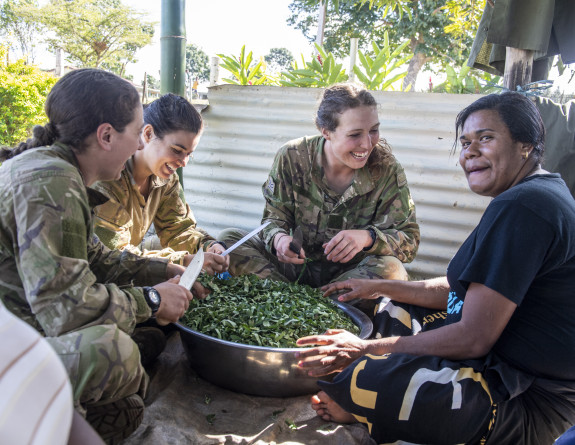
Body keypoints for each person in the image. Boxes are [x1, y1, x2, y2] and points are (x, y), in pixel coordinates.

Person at [294, 92, 575, 444]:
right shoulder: (530, 194)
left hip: (524, 397)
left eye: (486, 138)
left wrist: (364, 351)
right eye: (465, 142)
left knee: (363, 375)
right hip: (493, 356)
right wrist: (379, 287)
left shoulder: (525, 207)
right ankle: (371, 390)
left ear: (526, 145)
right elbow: (464, 290)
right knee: (392, 309)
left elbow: (473, 337)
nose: (470, 152)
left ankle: (365, 398)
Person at [0, 68, 199, 444]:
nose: (139, 147)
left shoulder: (59, 173)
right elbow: (67, 311)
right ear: (106, 135)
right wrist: (153, 300)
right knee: (115, 352)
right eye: (137, 134)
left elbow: (98, 258)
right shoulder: (51, 183)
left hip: (22, 330)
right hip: (14, 344)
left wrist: (163, 268)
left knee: (126, 411)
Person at [219, 83, 419, 314]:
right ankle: (292, 302)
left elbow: (409, 242)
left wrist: (368, 237)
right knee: (229, 241)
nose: (367, 144)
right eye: (355, 134)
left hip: (348, 277)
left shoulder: (386, 169)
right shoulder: (292, 157)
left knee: (392, 269)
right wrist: (279, 240)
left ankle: (305, 309)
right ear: (326, 131)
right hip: (291, 271)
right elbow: (273, 219)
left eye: (374, 130)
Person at [92, 93, 229, 276]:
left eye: (189, 154)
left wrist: (208, 246)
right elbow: (112, 257)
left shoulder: (166, 179)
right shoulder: (108, 178)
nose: (183, 162)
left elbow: (178, 229)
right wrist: (182, 261)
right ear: (148, 134)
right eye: (177, 150)